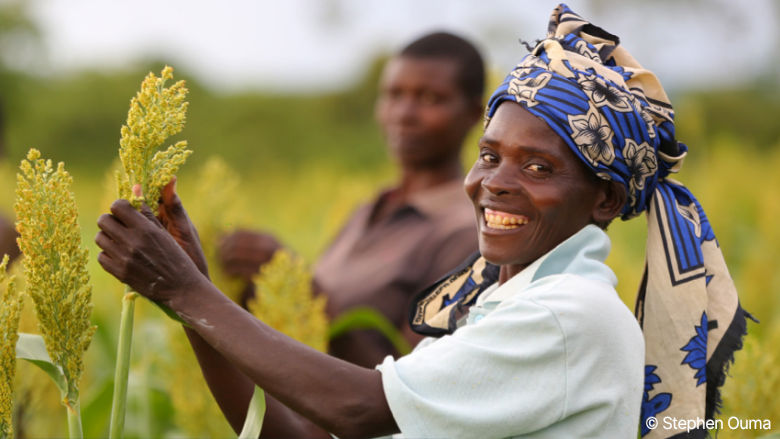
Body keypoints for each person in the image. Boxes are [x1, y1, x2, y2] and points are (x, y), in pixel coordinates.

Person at [96, 4, 748, 438]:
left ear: (604, 199)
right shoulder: (495, 299)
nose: (496, 182)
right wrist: (193, 296)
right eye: (491, 156)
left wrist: (186, 291)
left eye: (539, 167)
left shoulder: (563, 315)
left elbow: (355, 406)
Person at [218, 31, 485, 367]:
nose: (404, 113)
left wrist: (304, 291)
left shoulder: (467, 235)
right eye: (393, 95)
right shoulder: (370, 208)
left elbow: (409, 386)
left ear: (475, 113)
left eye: (430, 99)